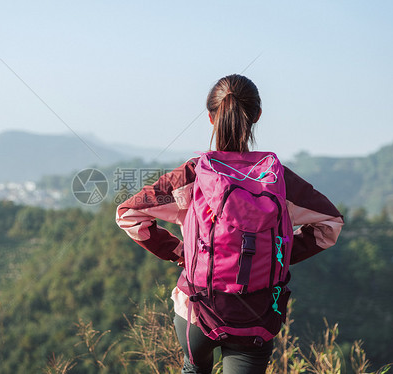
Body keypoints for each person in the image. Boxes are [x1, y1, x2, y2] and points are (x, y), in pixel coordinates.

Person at [115, 74, 344, 374]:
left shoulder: (194, 175)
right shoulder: (279, 180)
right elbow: (330, 225)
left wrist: (181, 252)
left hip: (198, 310)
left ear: (211, 117)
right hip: (258, 313)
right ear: (257, 116)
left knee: (194, 369)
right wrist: (280, 254)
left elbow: (128, 215)